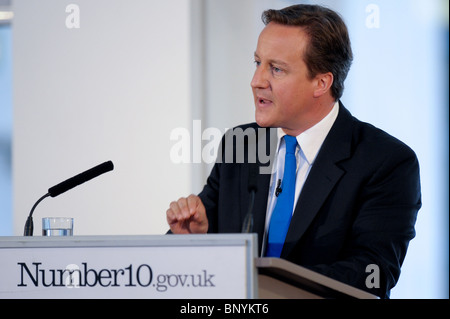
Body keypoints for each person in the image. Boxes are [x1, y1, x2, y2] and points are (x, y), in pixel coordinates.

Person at [166, 4, 421, 299]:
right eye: (257, 63)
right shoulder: (242, 143)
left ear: (322, 82)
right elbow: (202, 248)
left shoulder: (385, 161)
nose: (256, 81)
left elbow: (373, 274)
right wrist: (196, 239)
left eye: (276, 69)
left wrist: (266, 283)